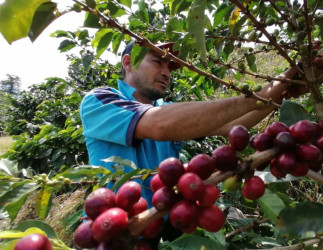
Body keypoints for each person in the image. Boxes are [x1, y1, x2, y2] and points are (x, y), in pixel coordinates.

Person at [79, 41, 299, 248]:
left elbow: (233, 125)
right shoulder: (100, 100)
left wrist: (280, 94)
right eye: (157, 61)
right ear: (128, 62)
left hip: (168, 224)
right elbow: (159, 124)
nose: (166, 72)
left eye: (170, 66)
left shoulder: (168, 108)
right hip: (116, 232)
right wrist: (256, 97)